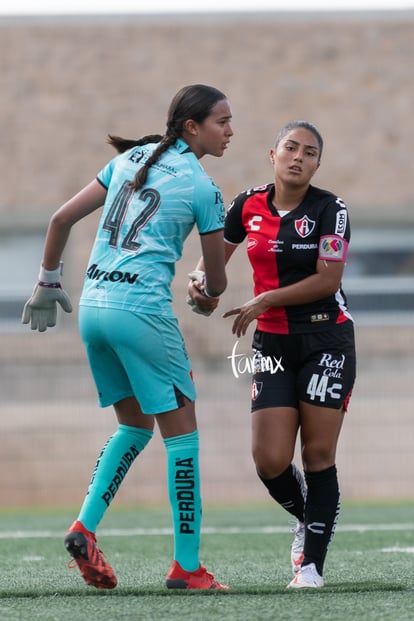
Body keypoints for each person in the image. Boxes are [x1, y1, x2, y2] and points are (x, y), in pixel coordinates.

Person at [22, 84, 233, 591]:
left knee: (134, 427)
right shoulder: (204, 187)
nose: (230, 132)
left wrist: (49, 281)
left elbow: (60, 219)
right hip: (141, 313)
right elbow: (218, 280)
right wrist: (204, 295)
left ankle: (84, 527)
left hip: (92, 310)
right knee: (182, 439)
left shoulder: (129, 159)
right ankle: (187, 567)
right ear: (191, 128)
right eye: (222, 122)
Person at [189, 120, 356, 588]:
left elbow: (329, 279)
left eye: (309, 152)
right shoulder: (248, 204)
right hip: (272, 344)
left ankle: (310, 568)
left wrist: (264, 300)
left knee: (318, 453)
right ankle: (309, 515)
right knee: (269, 459)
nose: (298, 157)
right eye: (291, 148)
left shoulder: (331, 209)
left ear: (318, 163)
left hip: (327, 340)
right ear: (273, 154)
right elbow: (213, 257)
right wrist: (199, 283)